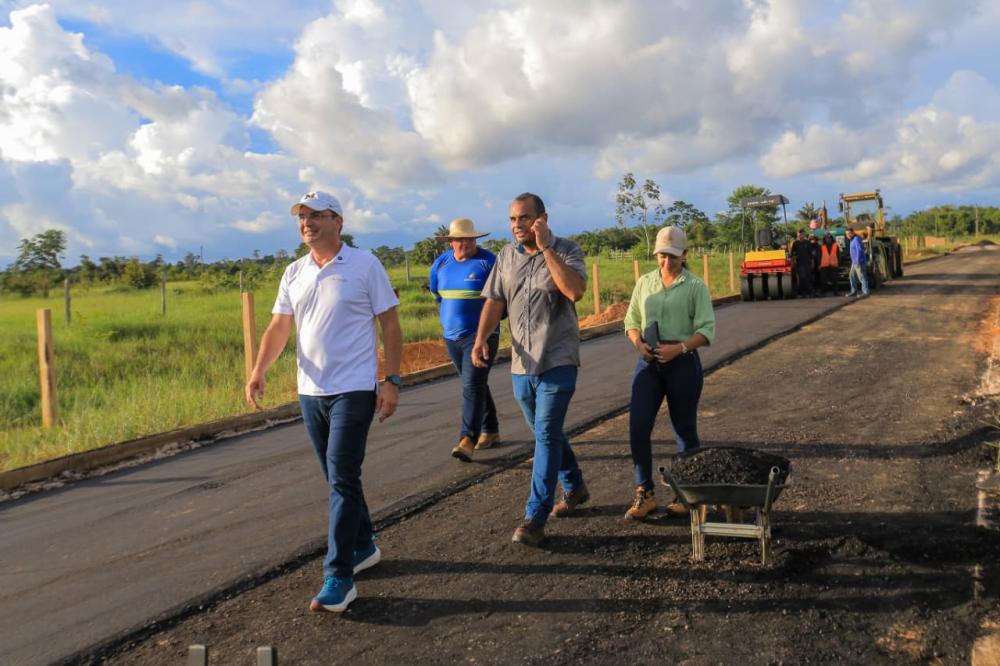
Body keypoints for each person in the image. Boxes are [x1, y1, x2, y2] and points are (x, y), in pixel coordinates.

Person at [245, 191, 402, 613]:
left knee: (343, 477)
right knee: (337, 477)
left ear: (338, 221)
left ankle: (339, 576)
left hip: (354, 388)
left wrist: (391, 380)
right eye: (302, 216)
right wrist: (259, 370)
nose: (307, 223)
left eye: (316, 216)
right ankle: (364, 544)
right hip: (310, 390)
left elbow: (389, 323)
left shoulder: (365, 265)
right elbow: (280, 326)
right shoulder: (294, 272)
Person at [472, 192, 588, 547]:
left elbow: (575, 291)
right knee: (544, 431)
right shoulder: (506, 256)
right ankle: (575, 487)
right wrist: (481, 339)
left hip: (558, 359)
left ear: (542, 218)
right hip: (522, 363)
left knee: (546, 435)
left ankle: (534, 517)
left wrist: (546, 249)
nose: (517, 225)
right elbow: (495, 301)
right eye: (512, 219)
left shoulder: (568, 250)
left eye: (524, 218)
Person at [623, 226, 715, 520]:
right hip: (649, 364)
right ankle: (644, 492)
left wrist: (681, 348)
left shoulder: (695, 286)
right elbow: (632, 321)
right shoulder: (645, 283)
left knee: (684, 430)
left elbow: (706, 330)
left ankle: (686, 494)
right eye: (662, 255)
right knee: (638, 426)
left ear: (684, 255)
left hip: (682, 363)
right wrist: (638, 343)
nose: (666, 262)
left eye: (673, 256)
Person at [429, 217, 500, 461]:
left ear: (475, 240)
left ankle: (467, 438)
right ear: (450, 242)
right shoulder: (441, 264)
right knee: (474, 383)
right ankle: (490, 431)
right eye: (458, 239)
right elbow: (438, 295)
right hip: (452, 338)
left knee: (472, 385)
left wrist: (485, 331)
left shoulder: (488, 262)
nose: (463, 244)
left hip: (481, 336)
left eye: (468, 239)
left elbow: (501, 299)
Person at [846, 227, 870, 298]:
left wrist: (858, 261)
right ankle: (854, 291)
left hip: (859, 262)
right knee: (851, 276)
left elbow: (859, 251)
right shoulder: (852, 240)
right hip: (854, 262)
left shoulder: (856, 239)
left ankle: (866, 292)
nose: (847, 235)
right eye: (846, 234)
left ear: (853, 233)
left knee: (862, 277)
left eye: (849, 233)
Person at [790, 229, 814, 297]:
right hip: (799, 263)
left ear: (804, 234)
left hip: (808, 263)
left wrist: (812, 262)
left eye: (802, 234)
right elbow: (792, 254)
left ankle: (810, 292)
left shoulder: (808, 243)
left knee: (808, 277)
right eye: (799, 234)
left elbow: (811, 253)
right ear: (797, 235)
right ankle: (803, 293)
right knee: (802, 278)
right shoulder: (795, 243)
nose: (801, 235)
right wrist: (793, 261)